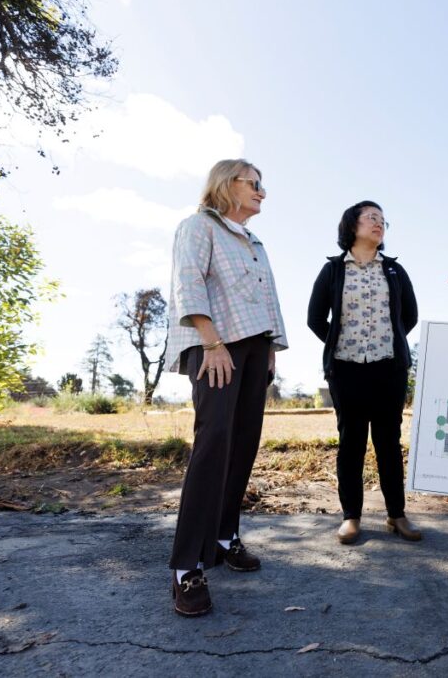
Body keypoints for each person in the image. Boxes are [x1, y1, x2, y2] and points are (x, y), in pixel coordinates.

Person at [163, 159, 288, 617]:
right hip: (216, 345)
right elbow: (188, 282)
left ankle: (223, 536)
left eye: (262, 184)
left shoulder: (255, 242)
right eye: (254, 183)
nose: (261, 192)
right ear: (226, 183)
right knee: (213, 444)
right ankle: (186, 567)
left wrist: (272, 347)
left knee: (242, 445)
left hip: (255, 350)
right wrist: (211, 342)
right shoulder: (199, 226)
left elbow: (268, 298)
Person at [308, 200, 421, 545]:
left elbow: (410, 316)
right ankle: (351, 517)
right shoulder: (333, 270)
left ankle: (396, 515)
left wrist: (389, 343)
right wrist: (341, 343)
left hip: (389, 369)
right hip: (346, 371)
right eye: (372, 218)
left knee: (388, 442)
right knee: (351, 443)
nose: (379, 224)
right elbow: (315, 318)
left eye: (383, 220)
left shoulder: (394, 271)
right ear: (351, 225)